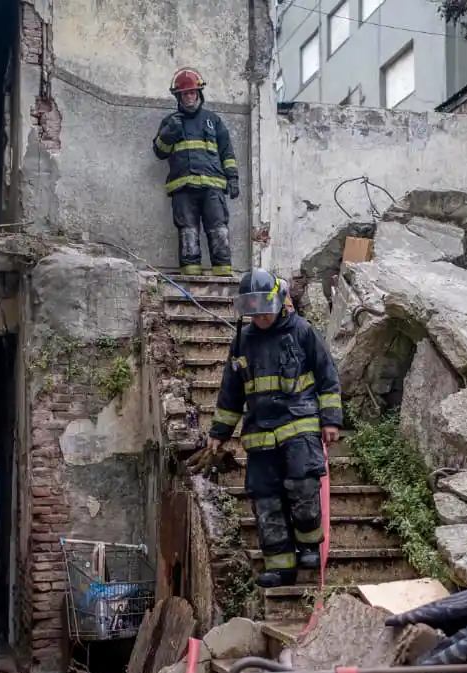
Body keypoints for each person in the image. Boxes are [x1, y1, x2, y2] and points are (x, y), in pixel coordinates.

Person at [206, 270, 343, 588]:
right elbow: (231, 392)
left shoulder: (302, 331)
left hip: (300, 427)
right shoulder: (243, 341)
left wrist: (331, 419)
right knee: (266, 500)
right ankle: (280, 567)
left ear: (279, 301)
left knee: (303, 488)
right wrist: (218, 433)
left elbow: (327, 376)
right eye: (253, 310)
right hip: (260, 435)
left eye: (264, 308)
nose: (260, 316)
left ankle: (308, 547)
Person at [152, 67, 239, 277]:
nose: (189, 97)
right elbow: (160, 152)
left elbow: (227, 152)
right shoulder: (170, 122)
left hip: (213, 187)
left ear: (199, 94)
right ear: (178, 97)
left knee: (218, 228)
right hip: (183, 187)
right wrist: (168, 133)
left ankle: (223, 272)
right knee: (188, 230)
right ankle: (190, 273)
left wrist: (233, 178)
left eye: (192, 93)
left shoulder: (213, 120)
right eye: (185, 94)